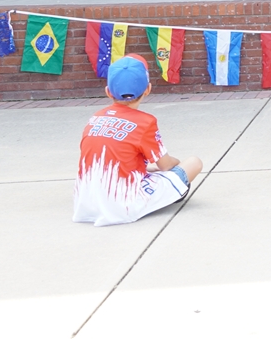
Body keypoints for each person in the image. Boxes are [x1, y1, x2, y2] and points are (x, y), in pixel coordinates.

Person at [73, 55, 203, 227]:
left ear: (108, 91)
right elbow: (165, 165)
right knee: (194, 163)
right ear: (148, 89)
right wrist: (177, 164)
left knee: (151, 167)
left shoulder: (95, 118)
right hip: (124, 206)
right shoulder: (145, 122)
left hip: (86, 204)